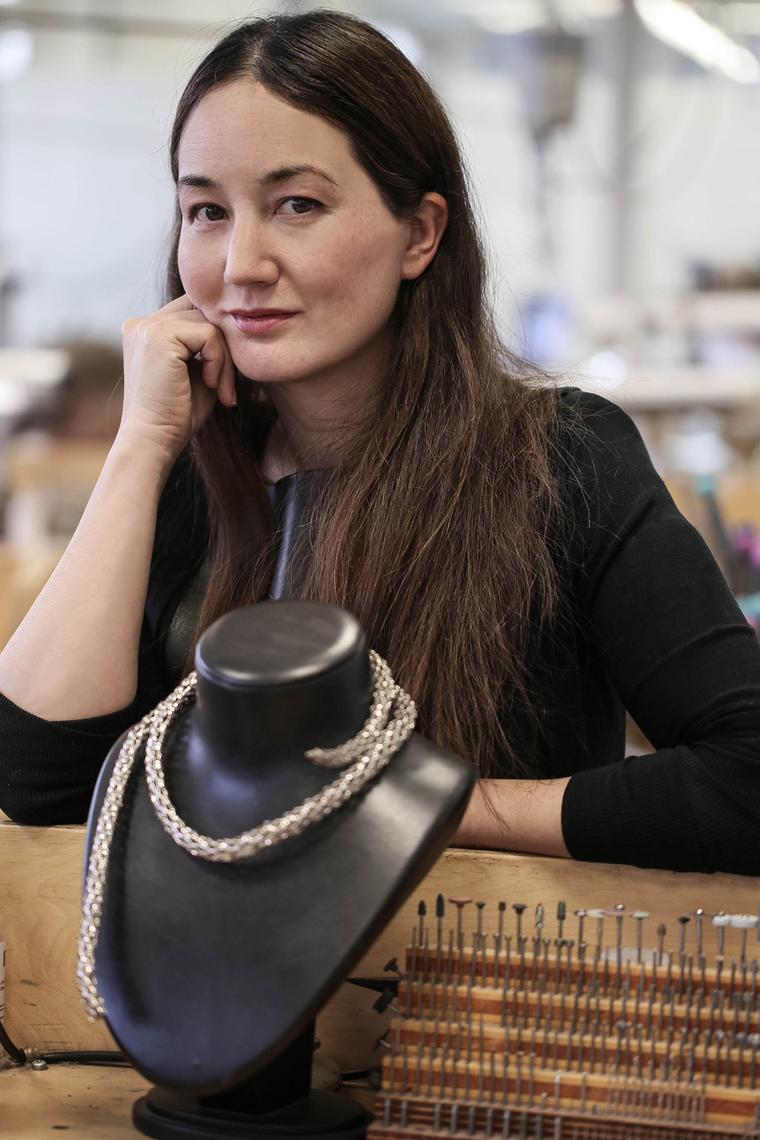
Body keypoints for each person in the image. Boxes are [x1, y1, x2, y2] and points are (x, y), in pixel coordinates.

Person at [1, 10, 759, 875]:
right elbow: (36, 780)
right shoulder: (188, 479)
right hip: (225, 998)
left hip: (475, 992)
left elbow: (746, 779)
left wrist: (415, 801)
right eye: (206, 210)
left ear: (422, 233)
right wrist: (141, 447)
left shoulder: (562, 461)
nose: (241, 261)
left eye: (296, 205)